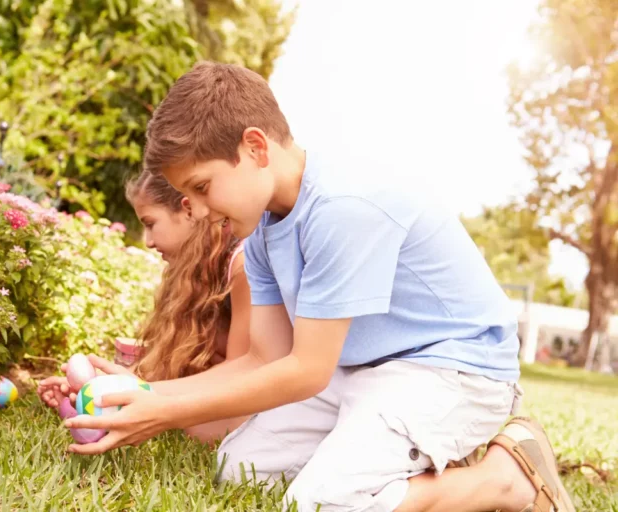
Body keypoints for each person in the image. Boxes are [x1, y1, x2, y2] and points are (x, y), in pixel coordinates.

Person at [64, 61, 576, 512]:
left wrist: (165, 411)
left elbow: (307, 371)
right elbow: (265, 359)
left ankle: (506, 479)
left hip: (454, 372)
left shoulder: (341, 206)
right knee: (239, 469)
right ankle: (395, 454)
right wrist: (146, 392)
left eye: (201, 187)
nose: (195, 209)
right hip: (365, 372)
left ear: (255, 148)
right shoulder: (263, 230)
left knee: (321, 504)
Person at [37, 169, 251, 443]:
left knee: (192, 429)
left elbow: (242, 373)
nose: (148, 241)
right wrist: (106, 390)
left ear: (188, 212)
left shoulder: (240, 265)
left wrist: (143, 395)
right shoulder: (195, 271)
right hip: (227, 397)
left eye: (150, 224)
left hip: (260, 402)